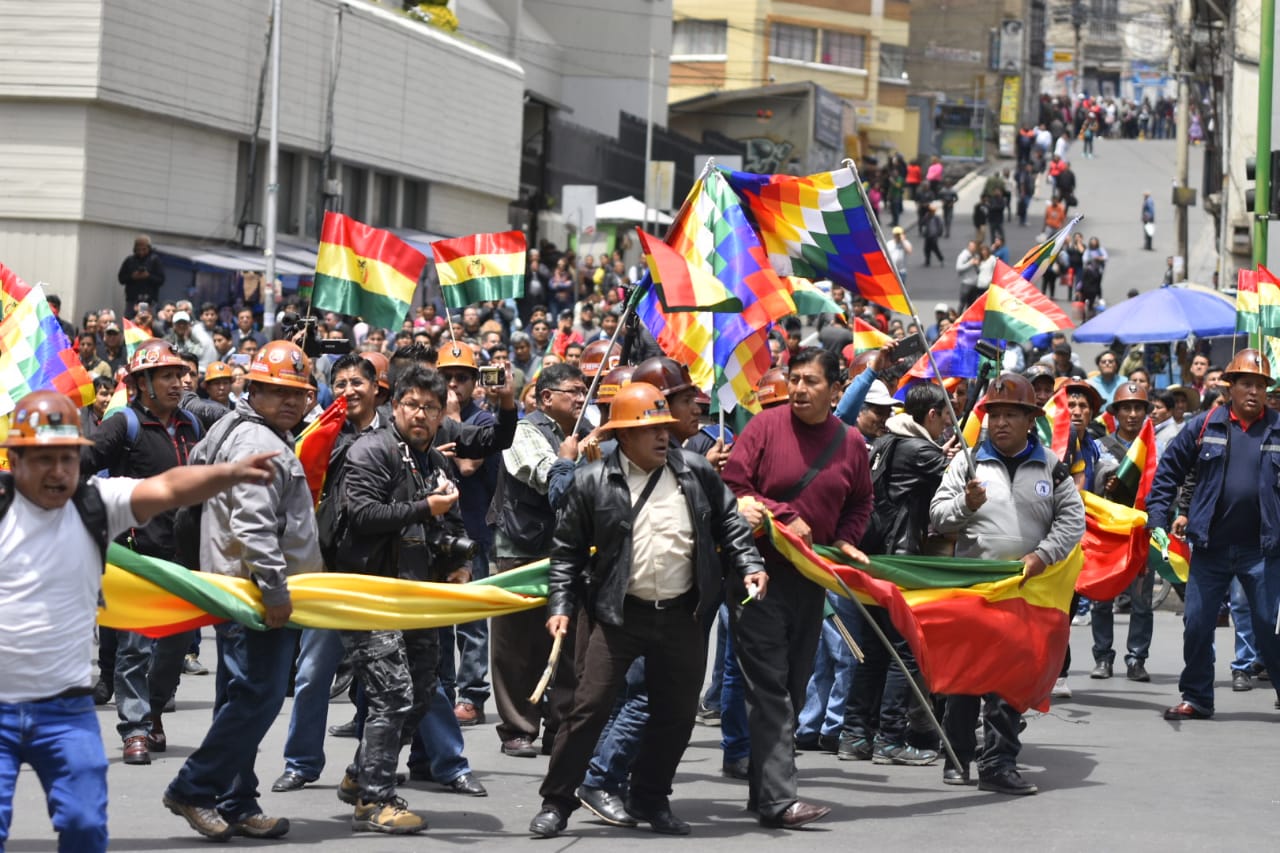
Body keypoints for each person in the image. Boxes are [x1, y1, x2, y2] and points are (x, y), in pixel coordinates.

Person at [0, 390, 277, 853]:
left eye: (68, 458)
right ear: (14, 458)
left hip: (66, 714)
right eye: (44, 458)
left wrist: (227, 474)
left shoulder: (95, 503)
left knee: (86, 827)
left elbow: (168, 488)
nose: (58, 471)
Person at [528, 382, 766, 838]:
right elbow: (567, 553)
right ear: (622, 435)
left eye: (664, 428)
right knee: (588, 708)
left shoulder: (696, 472)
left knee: (676, 713)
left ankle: (652, 797)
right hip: (618, 616)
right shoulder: (590, 481)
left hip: (682, 615)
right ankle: (557, 801)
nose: (662, 437)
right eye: (649, 429)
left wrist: (750, 563)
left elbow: (731, 520)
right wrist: (560, 606)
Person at [162, 340, 323, 841]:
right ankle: (195, 787)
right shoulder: (260, 442)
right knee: (259, 695)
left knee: (238, 697)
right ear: (253, 389)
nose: (290, 402)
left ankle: (235, 799)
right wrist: (275, 590)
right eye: (277, 391)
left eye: (297, 393)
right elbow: (254, 527)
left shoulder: (236, 429)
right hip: (254, 594)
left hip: (234, 589)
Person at [722, 347, 874, 829]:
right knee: (769, 688)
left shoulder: (849, 441)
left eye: (811, 381)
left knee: (793, 682)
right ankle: (779, 800)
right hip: (757, 575)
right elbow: (732, 487)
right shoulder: (763, 428)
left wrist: (846, 541)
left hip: (811, 579)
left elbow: (861, 501)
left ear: (836, 390)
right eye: (795, 380)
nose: (800, 390)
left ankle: (764, 791)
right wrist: (784, 517)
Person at [331, 365, 477, 833]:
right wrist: (423, 508)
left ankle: (360, 775)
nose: (420, 414)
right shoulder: (369, 450)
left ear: (440, 417)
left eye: (430, 408)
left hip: (417, 594)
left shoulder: (436, 462)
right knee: (391, 696)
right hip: (369, 591)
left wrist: (460, 561)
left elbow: (451, 523)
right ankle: (375, 800)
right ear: (396, 407)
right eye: (412, 404)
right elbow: (361, 514)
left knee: (419, 695)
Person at [930, 373, 1085, 794]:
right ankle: (957, 755)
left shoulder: (1051, 467)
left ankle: (999, 762)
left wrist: (1042, 555)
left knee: (1008, 680)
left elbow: (1073, 521)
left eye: (1010, 414)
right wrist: (966, 503)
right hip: (974, 589)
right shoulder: (967, 461)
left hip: (1024, 591)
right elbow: (937, 516)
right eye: (994, 414)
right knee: (965, 676)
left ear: (1029, 419)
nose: (1000, 422)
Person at [83, 339, 205, 766]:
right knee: (136, 646)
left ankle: (153, 712)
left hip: (184, 558)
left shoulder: (192, 424)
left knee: (173, 646)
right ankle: (134, 728)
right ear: (142, 383)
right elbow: (85, 463)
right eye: (168, 376)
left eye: (180, 374)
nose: (179, 382)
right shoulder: (123, 423)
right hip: (137, 557)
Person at [1146, 349, 1280, 720]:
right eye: (1246, 384)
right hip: (1210, 548)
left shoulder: (1279, 427)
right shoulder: (1204, 425)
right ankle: (1198, 697)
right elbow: (1168, 472)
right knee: (1198, 625)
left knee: (1270, 626)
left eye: (1261, 385)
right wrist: (1157, 517)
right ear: (1231, 387)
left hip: (1263, 551)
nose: (1254, 392)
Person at [842, 383, 957, 766]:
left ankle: (856, 734)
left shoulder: (883, 443)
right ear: (931, 415)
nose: (945, 425)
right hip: (898, 560)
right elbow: (965, 481)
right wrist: (952, 458)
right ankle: (890, 737)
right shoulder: (919, 449)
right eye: (944, 416)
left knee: (874, 650)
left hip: (869, 558)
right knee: (904, 650)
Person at [490, 363, 584, 757]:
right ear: (547, 397)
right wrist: (572, 460)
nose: (582, 398)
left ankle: (560, 725)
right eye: (573, 391)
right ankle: (518, 726)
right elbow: (548, 479)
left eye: (585, 391)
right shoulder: (523, 431)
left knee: (567, 642)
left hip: (565, 551)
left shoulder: (576, 434)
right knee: (516, 645)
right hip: (521, 550)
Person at [1091, 382, 1156, 682]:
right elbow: (1090, 483)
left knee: (1141, 602)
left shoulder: (1153, 446)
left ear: (1145, 412)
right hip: (1108, 533)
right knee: (1101, 598)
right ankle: (1103, 657)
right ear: (1115, 413)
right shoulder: (1100, 446)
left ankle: (1136, 658)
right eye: (1126, 408)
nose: (1132, 414)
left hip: (1141, 531)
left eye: (1138, 408)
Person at [117, 235, 165, 315]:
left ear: (148, 248)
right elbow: (121, 278)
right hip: (132, 300)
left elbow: (161, 279)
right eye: (138, 249)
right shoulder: (129, 260)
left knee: (145, 322)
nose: (141, 252)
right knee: (130, 323)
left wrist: (148, 276)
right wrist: (132, 277)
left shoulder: (155, 260)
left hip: (148, 301)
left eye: (144, 249)